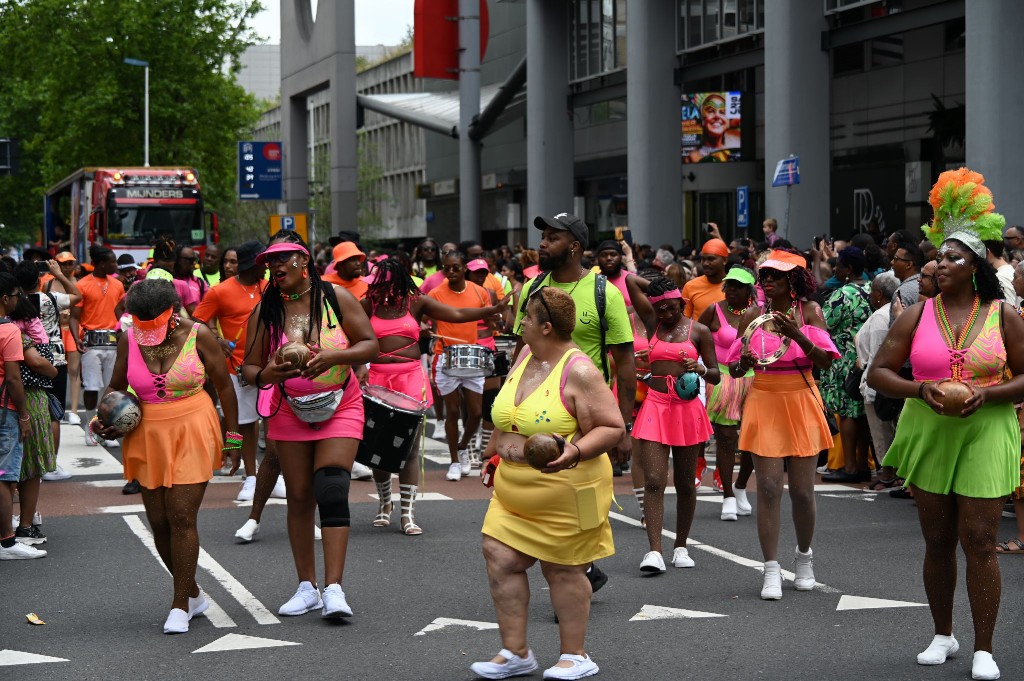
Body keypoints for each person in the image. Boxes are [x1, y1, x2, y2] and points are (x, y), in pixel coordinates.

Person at [867, 168, 1023, 681]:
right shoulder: (916, 314)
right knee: (937, 538)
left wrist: (989, 393)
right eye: (940, 256)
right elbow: (879, 373)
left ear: (976, 266)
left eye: (955, 257)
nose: (941, 263)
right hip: (928, 428)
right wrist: (921, 389)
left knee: (979, 538)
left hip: (987, 428)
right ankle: (942, 633)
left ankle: (983, 646)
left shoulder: (1005, 315)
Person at [471, 287, 624, 681]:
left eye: (526, 318)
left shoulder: (580, 371)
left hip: (566, 491)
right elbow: (508, 417)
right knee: (499, 556)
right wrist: (493, 454)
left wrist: (572, 453)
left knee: (563, 569)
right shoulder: (525, 356)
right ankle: (516, 651)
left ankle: (576, 655)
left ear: (547, 326)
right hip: (513, 490)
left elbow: (612, 427)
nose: (519, 323)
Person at [240, 237, 378, 619]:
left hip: (341, 405)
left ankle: (334, 589)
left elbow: (370, 345)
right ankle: (307, 587)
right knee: (299, 496)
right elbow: (248, 371)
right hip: (288, 411)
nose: (274, 267)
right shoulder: (264, 312)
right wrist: (270, 372)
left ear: (302, 260)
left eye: (282, 259)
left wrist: (335, 355)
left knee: (332, 487)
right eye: (270, 262)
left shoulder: (335, 298)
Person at [94, 278, 240, 633]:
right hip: (147, 434)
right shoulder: (129, 337)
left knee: (181, 516)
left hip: (193, 425)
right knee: (158, 521)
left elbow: (223, 385)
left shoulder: (199, 334)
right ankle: (192, 592)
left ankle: (179, 605)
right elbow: (115, 386)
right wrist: (104, 417)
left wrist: (233, 438)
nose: (144, 329)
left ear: (172, 312)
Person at [361, 256, 507, 532]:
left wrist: (490, 311)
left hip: (410, 378)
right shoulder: (368, 304)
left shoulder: (415, 302)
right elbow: (349, 332)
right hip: (378, 379)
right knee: (377, 447)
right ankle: (384, 504)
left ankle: (407, 514)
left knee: (409, 448)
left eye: (380, 285)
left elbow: (456, 313)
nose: (375, 289)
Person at [729, 248, 840, 600]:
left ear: (793, 279)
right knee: (769, 489)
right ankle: (772, 569)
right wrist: (742, 361)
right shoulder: (751, 314)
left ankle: (804, 559)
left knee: (804, 491)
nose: (768, 281)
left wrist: (799, 334)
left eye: (776, 275)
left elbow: (825, 362)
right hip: (764, 397)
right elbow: (734, 369)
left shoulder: (810, 311)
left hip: (800, 398)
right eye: (765, 276)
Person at [627, 276, 718, 573]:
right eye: (661, 309)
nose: (666, 314)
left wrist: (701, 368)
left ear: (682, 302)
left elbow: (716, 374)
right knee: (654, 479)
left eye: (671, 308)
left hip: (687, 409)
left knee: (684, 483)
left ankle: (681, 546)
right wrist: (660, 286)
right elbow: (630, 280)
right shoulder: (653, 322)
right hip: (655, 404)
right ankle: (654, 551)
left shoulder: (700, 331)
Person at [192, 241, 268, 504]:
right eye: (264, 261)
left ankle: (274, 475)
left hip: (271, 368)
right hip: (238, 369)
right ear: (254, 265)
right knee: (246, 424)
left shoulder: (269, 287)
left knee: (274, 423)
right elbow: (195, 321)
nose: (268, 266)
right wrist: (215, 339)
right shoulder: (219, 292)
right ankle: (251, 476)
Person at [427, 251, 495, 481]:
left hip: (472, 355)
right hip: (444, 355)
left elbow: (489, 319)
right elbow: (425, 320)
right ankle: (455, 461)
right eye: (447, 268)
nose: (452, 271)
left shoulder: (479, 291)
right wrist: (424, 329)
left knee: (475, 413)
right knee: (453, 412)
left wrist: (497, 320)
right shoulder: (435, 293)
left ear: (464, 268)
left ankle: (463, 446)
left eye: (456, 267)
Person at [697, 267, 757, 518]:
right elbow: (694, 336)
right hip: (722, 378)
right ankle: (728, 497)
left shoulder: (760, 313)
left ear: (749, 290)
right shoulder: (714, 309)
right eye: (729, 284)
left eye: (738, 285)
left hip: (756, 378)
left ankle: (740, 486)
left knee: (755, 437)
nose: (731, 289)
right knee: (726, 437)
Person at [8, 284, 58, 548]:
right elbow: (37, 363)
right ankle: (25, 526)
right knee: (30, 466)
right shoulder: (14, 332)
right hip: (28, 400)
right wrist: (53, 372)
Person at [819, 247, 873, 484]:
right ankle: (862, 464)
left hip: (845, 360)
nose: (835, 269)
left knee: (848, 412)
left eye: (839, 265)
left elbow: (823, 324)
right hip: (868, 357)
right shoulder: (874, 287)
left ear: (849, 269)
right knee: (862, 413)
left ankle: (849, 466)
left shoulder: (843, 295)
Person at [856, 272, 901, 490]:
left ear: (879, 294)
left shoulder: (882, 318)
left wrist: (871, 387)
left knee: (882, 433)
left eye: (872, 290)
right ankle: (889, 472)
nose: (869, 294)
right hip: (877, 380)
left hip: (875, 383)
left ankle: (888, 474)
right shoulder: (884, 314)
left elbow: (876, 355)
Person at [69, 247, 125, 418]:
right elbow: (74, 317)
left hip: (114, 343)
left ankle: (107, 426)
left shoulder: (118, 284)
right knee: (92, 387)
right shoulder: (82, 284)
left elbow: (123, 314)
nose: (116, 265)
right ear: (101, 264)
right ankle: (90, 427)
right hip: (91, 343)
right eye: (113, 262)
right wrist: (76, 338)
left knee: (111, 387)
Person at [47, 252, 83, 425]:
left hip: (72, 329)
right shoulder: (48, 283)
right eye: (65, 263)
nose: (69, 266)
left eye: (71, 263)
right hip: (55, 331)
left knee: (74, 371)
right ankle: (56, 407)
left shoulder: (79, 283)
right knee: (55, 370)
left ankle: (74, 410)